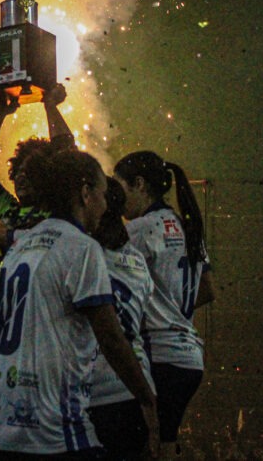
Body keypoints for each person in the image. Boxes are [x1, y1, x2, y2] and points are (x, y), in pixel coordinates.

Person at [0, 148, 158, 460]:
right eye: (103, 194)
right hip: (50, 428)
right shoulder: (81, 247)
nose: (106, 205)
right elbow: (111, 338)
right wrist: (147, 399)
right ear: (86, 193)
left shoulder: (21, 243)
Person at [0, 85, 74, 457]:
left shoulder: (62, 213)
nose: (21, 177)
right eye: (18, 170)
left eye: (32, 171)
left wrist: (49, 105)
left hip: (39, 353)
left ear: (50, 176)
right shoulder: (4, 207)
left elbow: (68, 158)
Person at [113, 151, 214, 459]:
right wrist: (170, 308)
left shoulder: (141, 229)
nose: (116, 199)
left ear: (139, 185)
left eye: (120, 188)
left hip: (160, 356)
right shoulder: (186, 227)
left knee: (144, 445)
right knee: (165, 442)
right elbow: (207, 291)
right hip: (190, 358)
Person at [87, 177, 155, 461]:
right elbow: (140, 327)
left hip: (94, 393)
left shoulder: (84, 256)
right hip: (132, 391)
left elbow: (111, 337)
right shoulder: (136, 260)